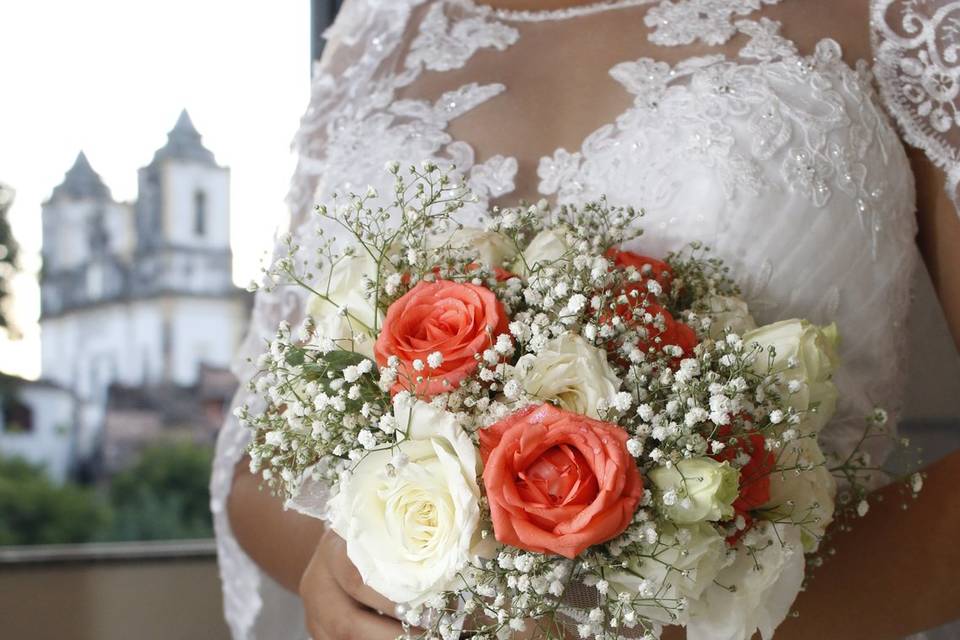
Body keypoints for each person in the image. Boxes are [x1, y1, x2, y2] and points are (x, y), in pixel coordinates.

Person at [213, 0, 960, 638]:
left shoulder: (903, 16)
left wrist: (692, 620)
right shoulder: (378, 30)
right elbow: (254, 462)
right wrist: (365, 571)